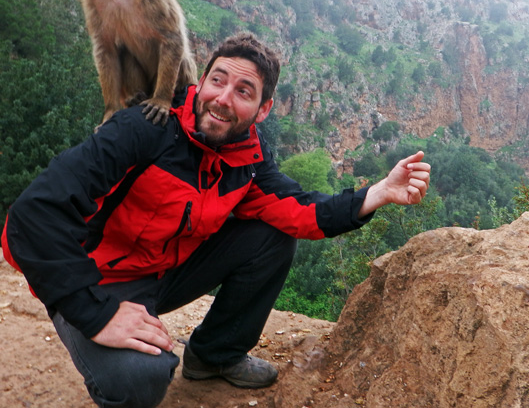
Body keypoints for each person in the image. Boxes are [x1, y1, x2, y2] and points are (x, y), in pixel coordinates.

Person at [1, 33, 431, 408]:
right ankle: (102, 342)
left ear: (262, 110)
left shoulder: (247, 161)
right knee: (140, 382)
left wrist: (377, 193)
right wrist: (94, 314)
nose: (224, 99)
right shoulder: (145, 130)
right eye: (218, 80)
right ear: (201, 81)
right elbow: (31, 218)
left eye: (244, 91)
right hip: (97, 278)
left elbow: (300, 209)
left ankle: (214, 356)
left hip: (163, 272)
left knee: (273, 234)